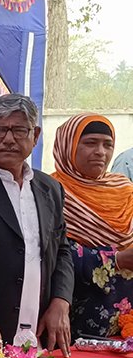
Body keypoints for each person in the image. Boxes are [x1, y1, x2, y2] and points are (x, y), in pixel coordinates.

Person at [0, 94, 74, 354]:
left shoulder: (50, 188)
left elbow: (62, 249)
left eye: (19, 130)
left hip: (39, 337)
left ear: (35, 135)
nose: (8, 139)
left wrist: (61, 300)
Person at [51, 114, 133, 338]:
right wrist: (116, 259)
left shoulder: (124, 189)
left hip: (126, 325)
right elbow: (52, 253)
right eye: (90, 143)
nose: (100, 152)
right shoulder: (50, 191)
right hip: (74, 321)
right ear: (67, 146)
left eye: (108, 145)